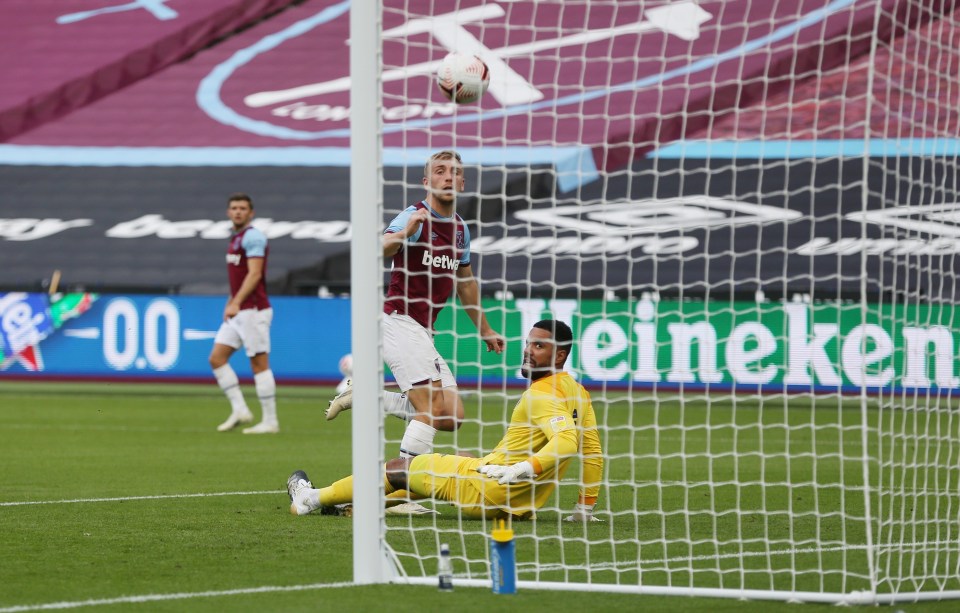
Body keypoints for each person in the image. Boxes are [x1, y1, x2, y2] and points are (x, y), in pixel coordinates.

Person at [289, 320, 604, 521]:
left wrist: (521, 468)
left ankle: (309, 499)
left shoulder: (540, 395)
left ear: (560, 355)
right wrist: (584, 508)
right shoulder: (579, 393)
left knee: (398, 468)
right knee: (446, 467)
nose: (527, 351)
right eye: (528, 343)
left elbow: (567, 442)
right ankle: (357, 503)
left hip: (489, 490)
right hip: (520, 502)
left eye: (539, 346)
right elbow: (592, 452)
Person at [326, 150, 505, 459]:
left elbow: (465, 282)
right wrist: (406, 233)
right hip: (399, 321)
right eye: (439, 171)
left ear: (462, 183)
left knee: (452, 414)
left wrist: (485, 329)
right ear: (427, 181)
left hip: (423, 330)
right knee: (433, 407)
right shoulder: (415, 217)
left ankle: (367, 397)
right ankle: (400, 491)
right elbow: (376, 249)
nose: (448, 176)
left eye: (454, 172)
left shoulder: (461, 230)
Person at [209, 192, 279, 434]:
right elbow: (239, 278)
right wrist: (231, 302)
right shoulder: (236, 238)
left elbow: (254, 274)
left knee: (259, 364)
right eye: (234, 208)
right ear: (229, 212)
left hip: (253, 310)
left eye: (242, 208)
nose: (238, 211)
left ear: (251, 213)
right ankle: (240, 409)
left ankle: (270, 421)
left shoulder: (254, 237)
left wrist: (236, 301)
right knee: (217, 358)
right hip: (239, 309)